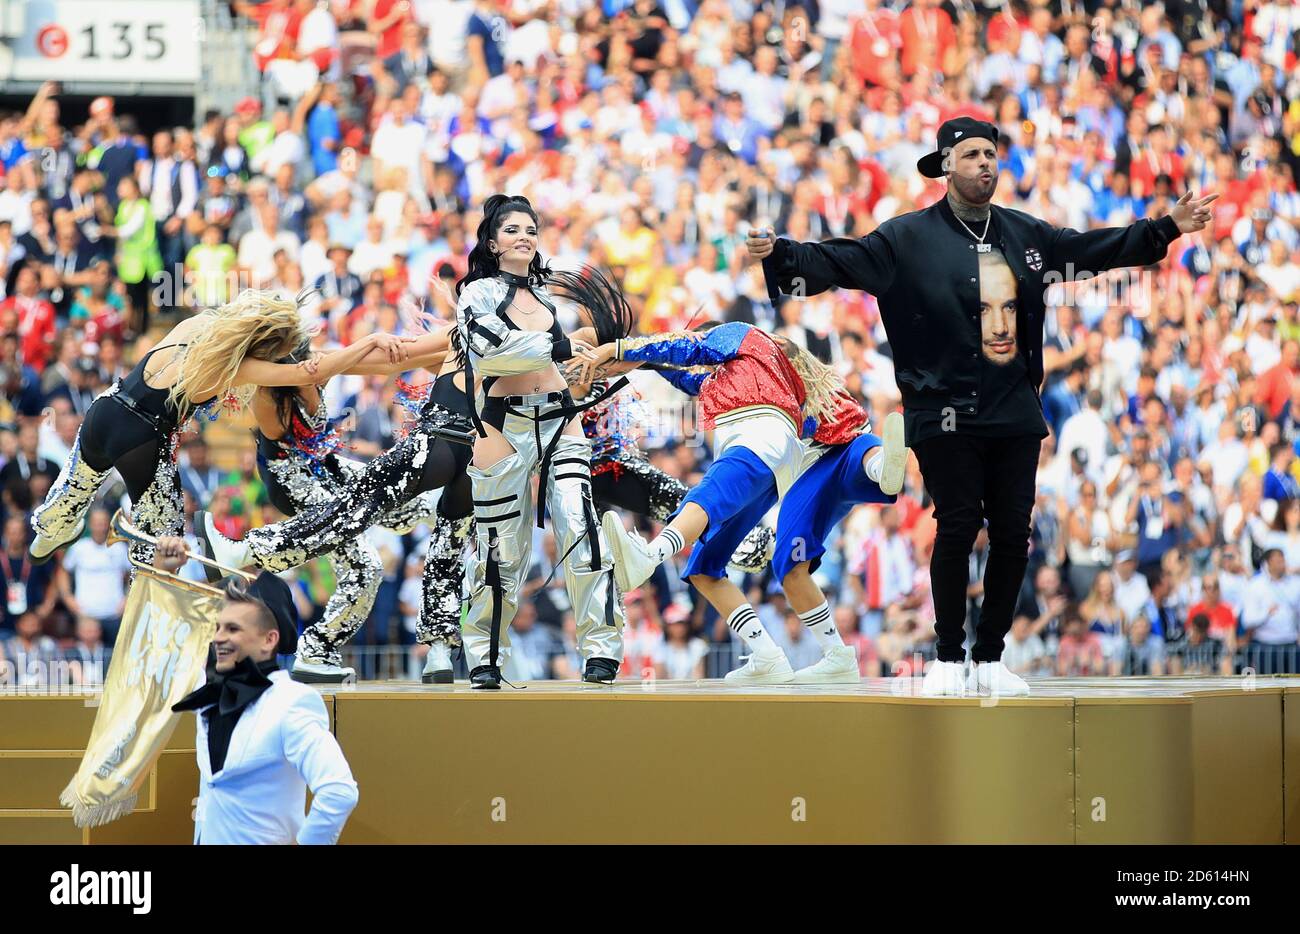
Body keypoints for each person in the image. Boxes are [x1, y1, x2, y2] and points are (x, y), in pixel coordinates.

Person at [750, 115, 1217, 696]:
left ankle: (991, 657)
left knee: (1015, 534)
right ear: (946, 165)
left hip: (1014, 411)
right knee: (957, 525)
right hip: (941, 413)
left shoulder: (1028, 236)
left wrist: (1164, 227)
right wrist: (782, 253)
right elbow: (838, 260)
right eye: (971, 155)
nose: (985, 164)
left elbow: (1092, 249)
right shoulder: (904, 239)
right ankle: (948, 657)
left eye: (991, 154)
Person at [591, 320, 889, 683]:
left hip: (759, 434)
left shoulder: (739, 334)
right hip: (780, 465)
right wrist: (638, 360)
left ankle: (648, 558)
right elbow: (681, 373)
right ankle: (767, 657)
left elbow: (687, 347)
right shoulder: (726, 378)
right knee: (704, 566)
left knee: (707, 493)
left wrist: (620, 348)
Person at [30, 289, 414, 568]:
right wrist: (370, 340)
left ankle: (49, 530)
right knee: (161, 551)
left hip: (105, 409)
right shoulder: (235, 364)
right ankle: (152, 643)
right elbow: (307, 371)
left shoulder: (197, 324)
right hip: (142, 438)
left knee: (73, 489)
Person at [450, 195, 631, 688]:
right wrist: (563, 344)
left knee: (582, 530)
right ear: (492, 242)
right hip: (502, 427)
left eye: (530, 229)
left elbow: (552, 362)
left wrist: (588, 362)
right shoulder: (476, 294)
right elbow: (488, 351)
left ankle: (602, 649)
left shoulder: (547, 299)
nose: (524, 236)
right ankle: (485, 656)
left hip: (558, 419)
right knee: (499, 547)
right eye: (512, 230)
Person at [159, 536, 359, 845]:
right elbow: (158, 650)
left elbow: (339, 791)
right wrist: (164, 574)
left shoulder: (292, 702)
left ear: (269, 639)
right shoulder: (209, 693)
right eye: (217, 627)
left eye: (234, 629)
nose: (218, 639)